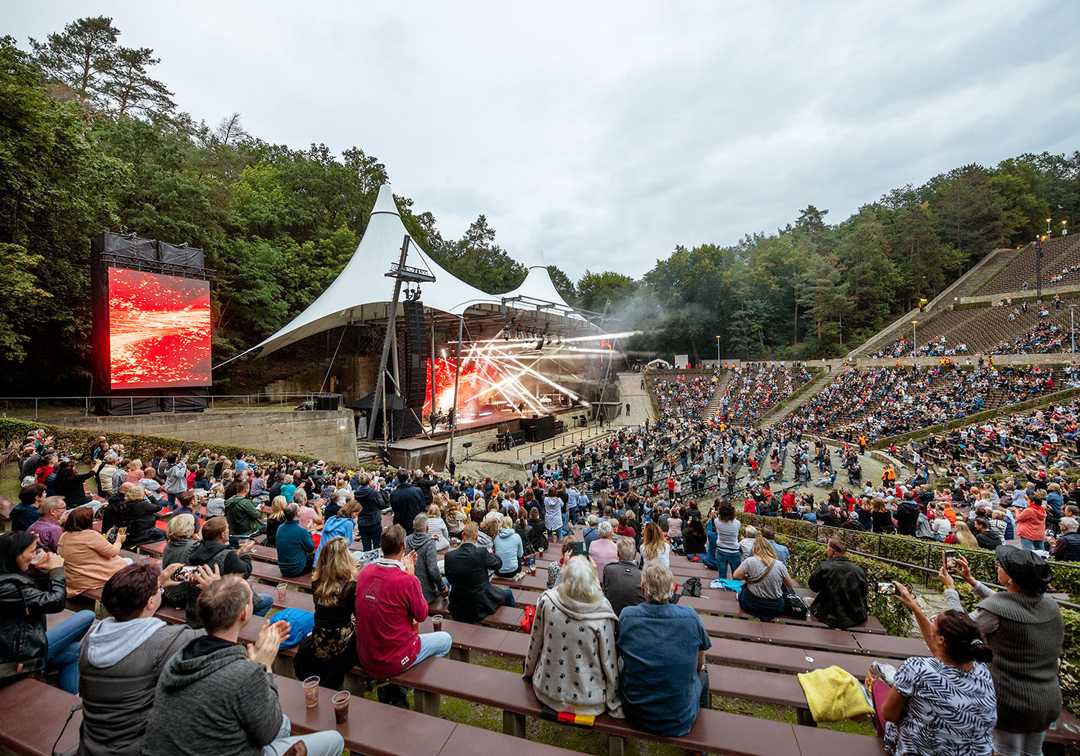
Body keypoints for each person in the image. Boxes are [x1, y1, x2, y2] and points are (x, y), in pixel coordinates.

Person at [140, 575, 345, 756]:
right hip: (238, 745)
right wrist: (263, 667)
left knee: (283, 723)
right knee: (333, 739)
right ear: (245, 613)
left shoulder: (177, 660)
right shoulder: (245, 675)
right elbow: (269, 731)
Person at [942, 547, 1063, 755]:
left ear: (1011, 579)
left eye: (1002, 566)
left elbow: (960, 628)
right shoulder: (1050, 605)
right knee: (1033, 752)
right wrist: (973, 582)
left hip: (1011, 702)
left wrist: (951, 590)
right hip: (1047, 699)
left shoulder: (995, 610)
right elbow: (1011, 604)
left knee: (1006, 752)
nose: (998, 566)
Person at [78, 562, 204, 756]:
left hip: (92, 742)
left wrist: (158, 582)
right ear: (150, 603)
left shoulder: (92, 637)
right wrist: (215, 590)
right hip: (139, 747)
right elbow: (216, 635)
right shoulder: (166, 640)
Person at [876, 583, 996, 755]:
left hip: (922, 751)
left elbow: (889, 714)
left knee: (879, 685)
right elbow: (938, 651)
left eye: (934, 620)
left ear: (941, 639)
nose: (931, 621)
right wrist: (914, 607)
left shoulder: (917, 668)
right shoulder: (982, 670)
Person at [523, 556, 623, 718]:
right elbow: (609, 661)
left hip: (548, 691)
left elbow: (535, 643)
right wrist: (613, 699)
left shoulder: (547, 601)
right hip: (589, 700)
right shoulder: (602, 614)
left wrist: (528, 671)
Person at [354, 525, 452, 688]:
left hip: (367, 655)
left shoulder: (365, 572)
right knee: (445, 639)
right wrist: (411, 574)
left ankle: (400, 682)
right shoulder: (407, 580)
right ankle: (406, 686)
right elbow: (421, 614)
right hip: (393, 658)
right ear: (402, 547)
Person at [618, 563, 711, 736]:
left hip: (636, 712)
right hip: (679, 718)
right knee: (704, 674)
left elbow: (621, 653)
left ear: (644, 588)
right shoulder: (690, 616)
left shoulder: (627, 615)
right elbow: (700, 661)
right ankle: (701, 734)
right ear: (672, 587)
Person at [0, 531, 95, 693]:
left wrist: (40, 571)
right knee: (87, 617)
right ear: (16, 554)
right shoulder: (7, 587)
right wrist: (57, 570)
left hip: (22, 643)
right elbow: (55, 602)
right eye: (32, 551)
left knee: (76, 650)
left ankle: (72, 697)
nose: (35, 554)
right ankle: (69, 697)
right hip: (17, 659)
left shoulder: (9, 575)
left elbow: (33, 594)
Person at [181, 516, 272, 625]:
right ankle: (241, 626)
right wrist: (245, 553)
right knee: (267, 600)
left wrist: (237, 553)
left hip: (194, 610)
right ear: (223, 534)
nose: (229, 531)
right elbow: (245, 571)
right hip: (218, 612)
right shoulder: (228, 556)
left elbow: (219, 558)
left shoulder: (194, 549)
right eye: (227, 528)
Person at [294, 536, 358, 690]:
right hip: (342, 644)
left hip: (320, 639)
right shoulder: (351, 585)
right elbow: (358, 615)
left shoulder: (316, 582)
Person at [444, 522, 515, 623]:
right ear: (476, 537)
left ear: (463, 535)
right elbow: (498, 563)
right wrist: (491, 554)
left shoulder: (449, 556)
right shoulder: (481, 553)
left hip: (457, 606)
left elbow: (449, 578)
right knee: (508, 593)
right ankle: (512, 623)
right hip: (479, 606)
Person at [59, 506, 131, 597]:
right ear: (87, 521)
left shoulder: (64, 535)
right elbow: (113, 552)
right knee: (128, 562)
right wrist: (119, 540)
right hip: (90, 577)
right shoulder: (90, 535)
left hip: (74, 578)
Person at [806, 539, 868, 628]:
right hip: (855, 617)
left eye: (827, 548)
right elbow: (864, 592)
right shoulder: (858, 570)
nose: (826, 551)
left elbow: (813, 587)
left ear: (832, 551)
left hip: (828, 616)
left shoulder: (824, 567)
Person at [733, 535, 796, 621]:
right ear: (770, 548)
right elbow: (790, 584)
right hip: (775, 608)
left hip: (752, 605)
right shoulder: (779, 564)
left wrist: (747, 578)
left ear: (754, 548)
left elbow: (736, 576)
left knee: (741, 591)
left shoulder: (750, 561)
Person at [405, 514, 445, 605]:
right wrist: (442, 587)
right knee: (446, 581)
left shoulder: (407, 540)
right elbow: (433, 569)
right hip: (427, 594)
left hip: (410, 591)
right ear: (427, 528)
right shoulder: (430, 544)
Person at [161, 514, 199, 608]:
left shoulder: (169, 545)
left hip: (168, 591)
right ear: (189, 528)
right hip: (181, 596)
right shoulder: (194, 546)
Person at [601, 536, 643, 617]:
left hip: (613, 615)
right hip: (634, 619)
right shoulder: (642, 575)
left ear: (618, 553)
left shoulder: (609, 569)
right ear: (634, 554)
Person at [275, 504, 315, 577]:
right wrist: (308, 532)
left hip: (283, 569)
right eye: (299, 509)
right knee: (316, 555)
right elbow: (311, 549)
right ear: (297, 513)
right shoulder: (301, 530)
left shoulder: (280, 528)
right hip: (296, 569)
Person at [354, 474, 384, 550]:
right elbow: (382, 505)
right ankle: (375, 561)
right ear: (369, 481)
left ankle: (367, 561)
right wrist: (378, 492)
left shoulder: (356, 493)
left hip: (362, 521)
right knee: (377, 546)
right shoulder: (373, 492)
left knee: (366, 547)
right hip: (374, 521)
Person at [390, 471, 425, 535]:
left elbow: (394, 508)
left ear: (397, 479)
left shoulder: (394, 494)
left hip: (400, 523)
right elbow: (422, 506)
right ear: (408, 478)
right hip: (414, 521)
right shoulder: (417, 490)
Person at [713, 502, 741, 579]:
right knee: (736, 576)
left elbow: (717, 519)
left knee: (722, 577)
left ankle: (723, 589)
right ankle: (735, 590)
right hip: (734, 551)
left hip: (721, 550)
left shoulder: (716, 521)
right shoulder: (737, 523)